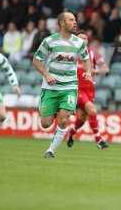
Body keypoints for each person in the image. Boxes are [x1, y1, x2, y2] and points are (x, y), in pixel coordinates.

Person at [33, 12, 92, 158]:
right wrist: (47, 75)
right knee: (45, 123)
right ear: (62, 23)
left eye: (75, 20)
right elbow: (36, 60)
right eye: (71, 20)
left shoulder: (79, 43)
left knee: (64, 119)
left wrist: (88, 71)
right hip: (51, 87)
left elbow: (86, 59)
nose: (75, 23)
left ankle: (51, 150)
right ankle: (50, 109)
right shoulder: (49, 41)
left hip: (69, 87)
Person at [67, 30, 109, 149]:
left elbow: (105, 69)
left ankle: (72, 132)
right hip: (76, 89)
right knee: (92, 110)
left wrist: (94, 71)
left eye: (85, 38)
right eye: (80, 38)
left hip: (90, 89)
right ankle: (99, 140)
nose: (83, 40)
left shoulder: (93, 53)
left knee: (82, 118)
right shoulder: (71, 54)